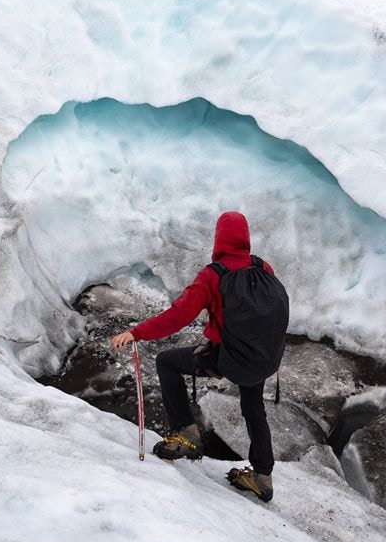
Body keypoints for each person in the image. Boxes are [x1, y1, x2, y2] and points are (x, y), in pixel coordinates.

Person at [112, 211, 276, 503]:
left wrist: (138, 332)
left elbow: (178, 316)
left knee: (167, 361)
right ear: (246, 238)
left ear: (219, 239)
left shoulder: (213, 276)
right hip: (263, 356)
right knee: (253, 409)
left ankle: (187, 435)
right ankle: (262, 476)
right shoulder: (263, 267)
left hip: (228, 357)